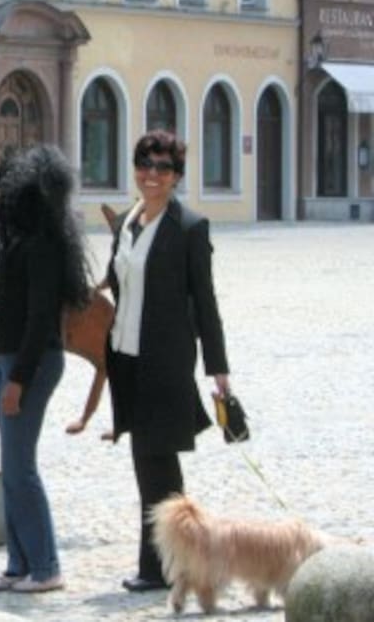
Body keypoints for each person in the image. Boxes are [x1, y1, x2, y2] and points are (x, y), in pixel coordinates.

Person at [105, 129, 232, 593]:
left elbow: (205, 300)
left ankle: (163, 565)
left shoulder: (190, 228)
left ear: (177, 175)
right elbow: (116, 284)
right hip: (127, 358)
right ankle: (174, 560)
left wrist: (218, 368)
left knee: (155, 459)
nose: (151, 175)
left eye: (162, 167)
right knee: (151, 462)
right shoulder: (124, 223)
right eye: (144, 165)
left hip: (166, 358)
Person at [0, 145, 92, 595]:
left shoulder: (41, 248)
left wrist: (18, 379)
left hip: (33, 363)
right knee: (11, 467)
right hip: (6, 360)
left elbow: (41, 319)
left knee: (19, 467)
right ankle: (18, 563)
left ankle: (45, 566)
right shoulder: (15, 243)